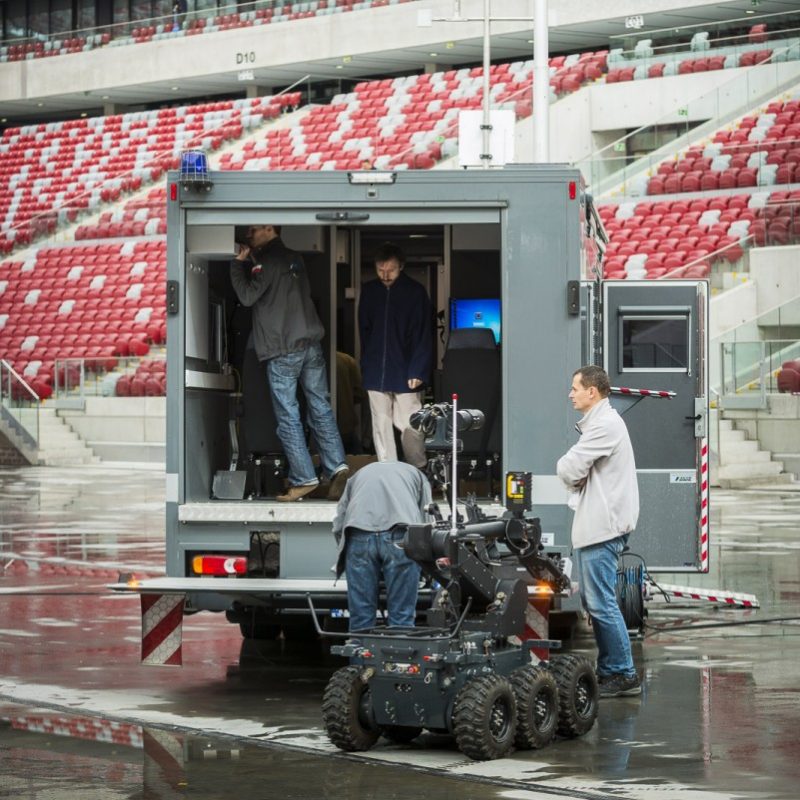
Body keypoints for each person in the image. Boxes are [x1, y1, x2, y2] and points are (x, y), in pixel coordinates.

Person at [230, 224, 349, 502]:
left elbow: (248, 297)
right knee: (320, 407)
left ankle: (304, 477)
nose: (249, 235)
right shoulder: (296, 258)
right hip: (311, 345)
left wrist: (237, 265)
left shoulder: (267, 262)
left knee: (288, 416)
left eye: (253, 231)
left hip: (284, 349)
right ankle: (338, 467)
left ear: (269, 229)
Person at [556, 365, 641, 698]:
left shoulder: (604, 425)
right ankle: (611, 670)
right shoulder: (603, 423)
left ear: (592, 392)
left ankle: (623, 672)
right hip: (599, 528)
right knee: (597, 602)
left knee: (602, 604)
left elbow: (569, 467)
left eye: (575, 387)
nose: (571, 393)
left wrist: (571, 471)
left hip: (602, 530)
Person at [332, 461, 432, 631]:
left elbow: (338, 524)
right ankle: (398, 655)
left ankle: (361, 655)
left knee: (361, 618)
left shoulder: (357, 475)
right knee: (401, 617)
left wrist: (347, 549)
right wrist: (426, 563)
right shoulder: (418, 475)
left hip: (359, 535)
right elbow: (426, 522)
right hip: (401, 536)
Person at [358, 243, 432, 470]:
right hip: (375, 368)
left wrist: (418, 369)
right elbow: (364, 331)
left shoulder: (415, 292)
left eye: (390, 270)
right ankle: (387, 470)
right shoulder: (369, 291)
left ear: (401, 266)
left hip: (407, 368)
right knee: (380, 423)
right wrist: (366, 364)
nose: (385, 275)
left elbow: (424, 334)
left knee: (410, 422)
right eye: (380, 270)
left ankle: (418, 469)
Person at [335, 351, 364, 454]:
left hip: (320, 427)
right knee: (357, 460)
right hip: (346, 421)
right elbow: (359, 393)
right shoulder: (346, 359)